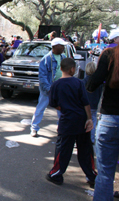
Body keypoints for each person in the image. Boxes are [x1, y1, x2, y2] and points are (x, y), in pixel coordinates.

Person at [46, 58, 97, 186]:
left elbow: (53, 103)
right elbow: (86, 103)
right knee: (85, 150)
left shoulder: (56, 85)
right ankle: (91, 176)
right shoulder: (78, 83)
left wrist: (64, 108)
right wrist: (89, 119)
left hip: (67, 121)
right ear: (72, 69)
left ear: (61, 69)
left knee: (64, 149)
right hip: (81, 120)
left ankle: (56, 174)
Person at [86, 39, 119, 200]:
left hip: (111, 117)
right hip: (109, 118)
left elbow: (92, 84)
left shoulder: (110, 55)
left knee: (105, 172)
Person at [30, 38, 66, 137]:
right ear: (55, 46)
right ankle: (34, 128)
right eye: (61, 46)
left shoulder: (63, 57)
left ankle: (61, 129)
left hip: (60, 88)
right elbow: (42, 76)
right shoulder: (46, 59)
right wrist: (49, 89)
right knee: (41, 108)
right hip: (48, 89)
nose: (63, 48)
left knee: (61, 110)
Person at [82, 62, 102, 144]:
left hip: (84, 106)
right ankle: (91, 139)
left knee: (83, 122)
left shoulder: (83, 82)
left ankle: (81, 139)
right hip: (94, 105)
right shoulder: (99, 83)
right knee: (93, 122)